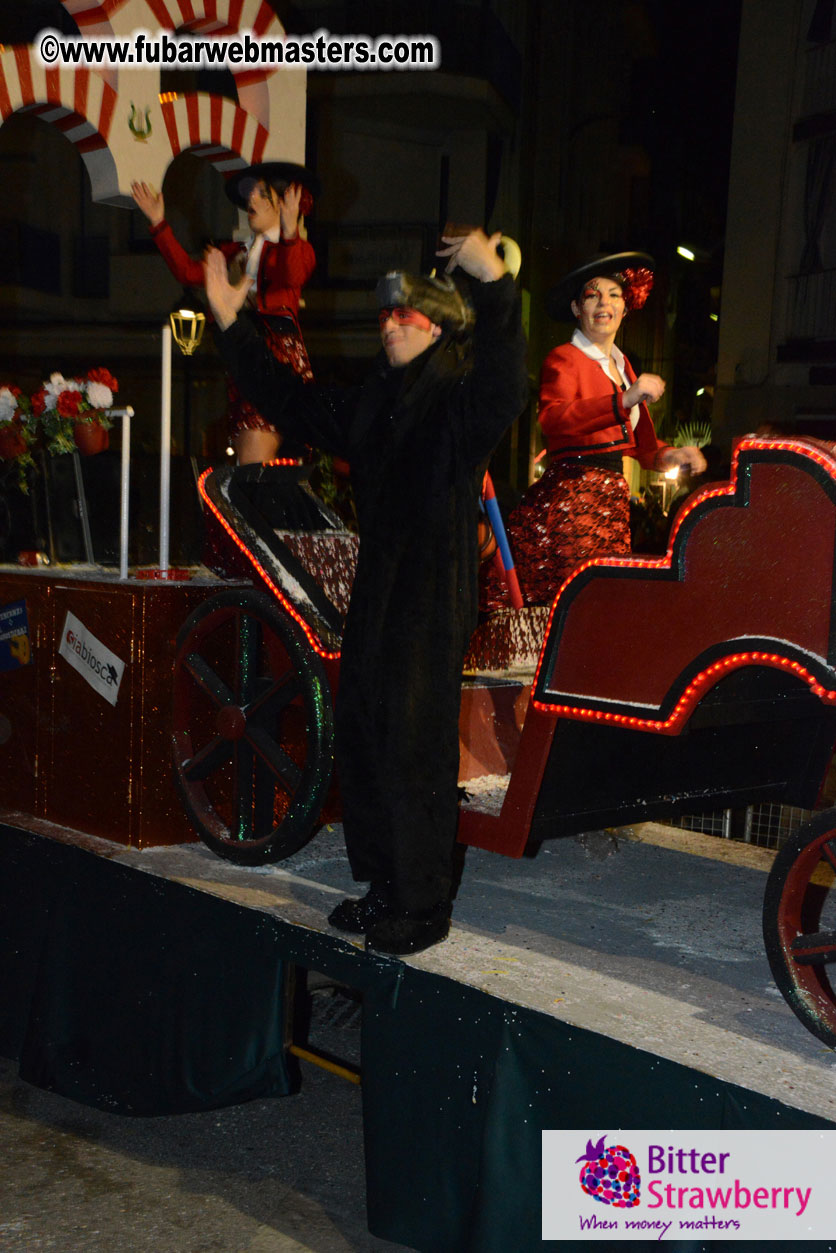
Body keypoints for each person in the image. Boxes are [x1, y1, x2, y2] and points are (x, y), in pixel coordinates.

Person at [204, 229, 528, 954]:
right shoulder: (377, 401)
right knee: (363, 728)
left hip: (431, 589)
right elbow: (291, 397)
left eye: (405, 315)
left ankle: (422, 902)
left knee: (414, 742)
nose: (389, 325)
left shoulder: (457, 400)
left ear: (439, 324)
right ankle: (383, 881)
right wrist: (230, 323)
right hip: (380, 585)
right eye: (384, 316)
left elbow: (508, 378)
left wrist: (493, 283)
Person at [482, 253, 706, 609]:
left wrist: (672, 455)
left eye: (614, 294)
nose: (604, 303)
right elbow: (554, 418)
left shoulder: (622, 365)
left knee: (602, 603)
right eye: (592, 295)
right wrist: (625, 398)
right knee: (581, 603)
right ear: (576, 308)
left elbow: (640, 447)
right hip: (573, 502)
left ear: (626, 307)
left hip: (612, 507)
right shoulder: (564, 358)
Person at [131, 161, 317, 464]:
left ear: (283, 203)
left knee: (255, 472)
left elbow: (292, 274)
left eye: (261, 194)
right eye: (250, 195)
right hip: (245, 357)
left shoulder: (298, 249)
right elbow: (188, 272)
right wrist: (158, 222)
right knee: (256, 469)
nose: (250, 201)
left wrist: (291, 229)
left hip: (276, 361)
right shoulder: (236, 252)